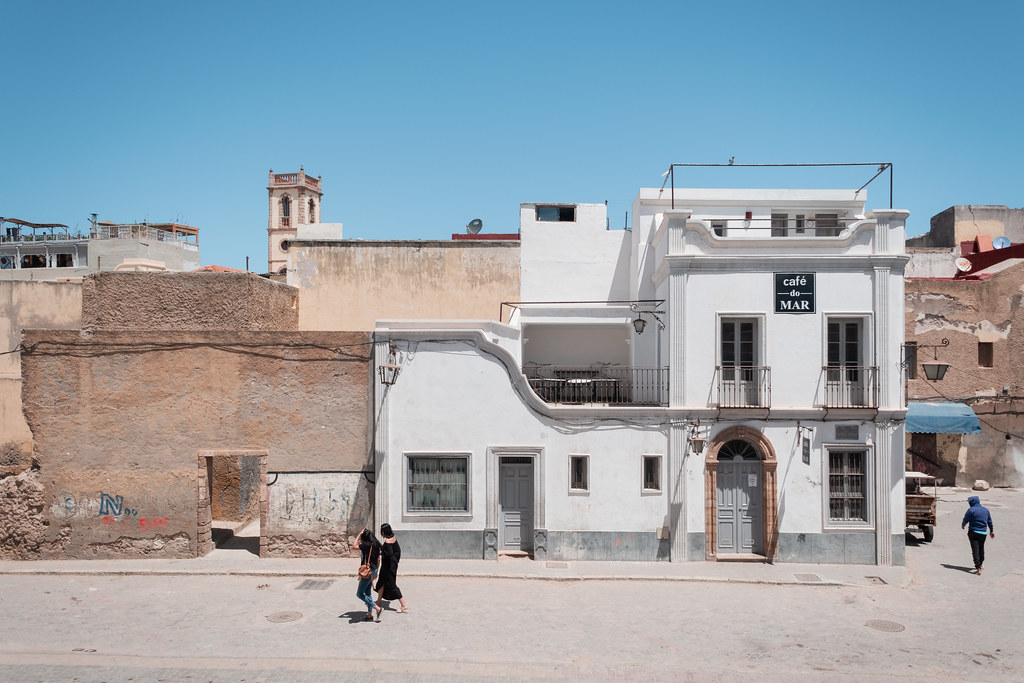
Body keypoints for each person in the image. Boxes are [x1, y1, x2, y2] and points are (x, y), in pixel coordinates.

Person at [375, 523, 409, 613]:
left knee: (392, 585)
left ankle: (403, 605)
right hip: (391, 566)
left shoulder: (387, 541)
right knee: (381, 582)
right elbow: (397, 551)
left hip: (388, 568)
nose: (380, 533)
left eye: (381, 531)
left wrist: (382, 553)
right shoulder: (393, 538)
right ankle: (378, 602)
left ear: (384, 531)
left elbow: (389, 554)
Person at [352, 528, 383, 621]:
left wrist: (359, 534)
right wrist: (377, 571)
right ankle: (369, 614)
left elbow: (354, 546)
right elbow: (378, 559)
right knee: (368, 592)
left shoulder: (366, 545)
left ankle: (377, 608)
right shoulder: (376, 544)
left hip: (367, 571)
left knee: (360, 593)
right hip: (373, 570)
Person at [961, 495, 995, 575]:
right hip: (983, 533)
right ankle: (981, 564)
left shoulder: (971, 510)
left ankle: (978, 567)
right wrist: (991, 531)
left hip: (973, 532)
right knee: (981, 548)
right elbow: (989, 521)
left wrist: (963, 524)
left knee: (975, 550)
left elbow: (966, 518)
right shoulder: (986, 510)